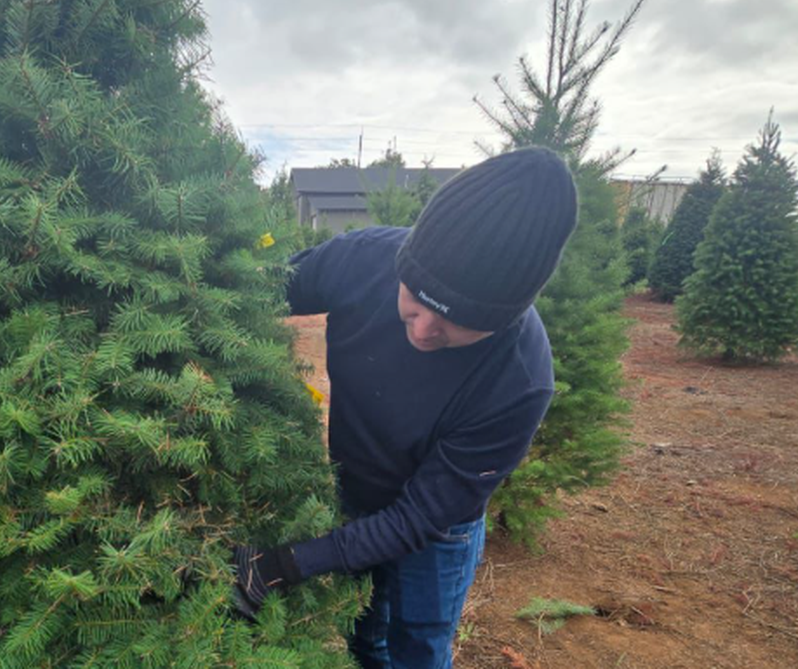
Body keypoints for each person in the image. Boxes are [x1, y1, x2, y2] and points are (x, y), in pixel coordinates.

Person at [235, 147, 578, 668]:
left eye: (455, 324)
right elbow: (250, 289)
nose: (421, 331)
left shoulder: (519, 381)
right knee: (364, 631)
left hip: (436, 529)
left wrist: (287, 563)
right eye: (415, 303)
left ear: (504, 319)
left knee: (417, 646)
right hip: (353, 487)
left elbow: (418, 518)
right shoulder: (363, 259)